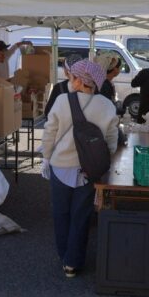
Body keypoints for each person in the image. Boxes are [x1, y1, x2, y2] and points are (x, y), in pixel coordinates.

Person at [42, 59, 118, 278]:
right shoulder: (106, 105)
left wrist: (46, 158)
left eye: (71, 76)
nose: (69, 80)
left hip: (60, 165)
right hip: (89, 169)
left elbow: (49, 132)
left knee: (60, 213)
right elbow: (111, 138)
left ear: (78, 80)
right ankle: (73, 262)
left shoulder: (62, 101)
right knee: (81, 215)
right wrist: (106, 158)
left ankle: (64, 254)